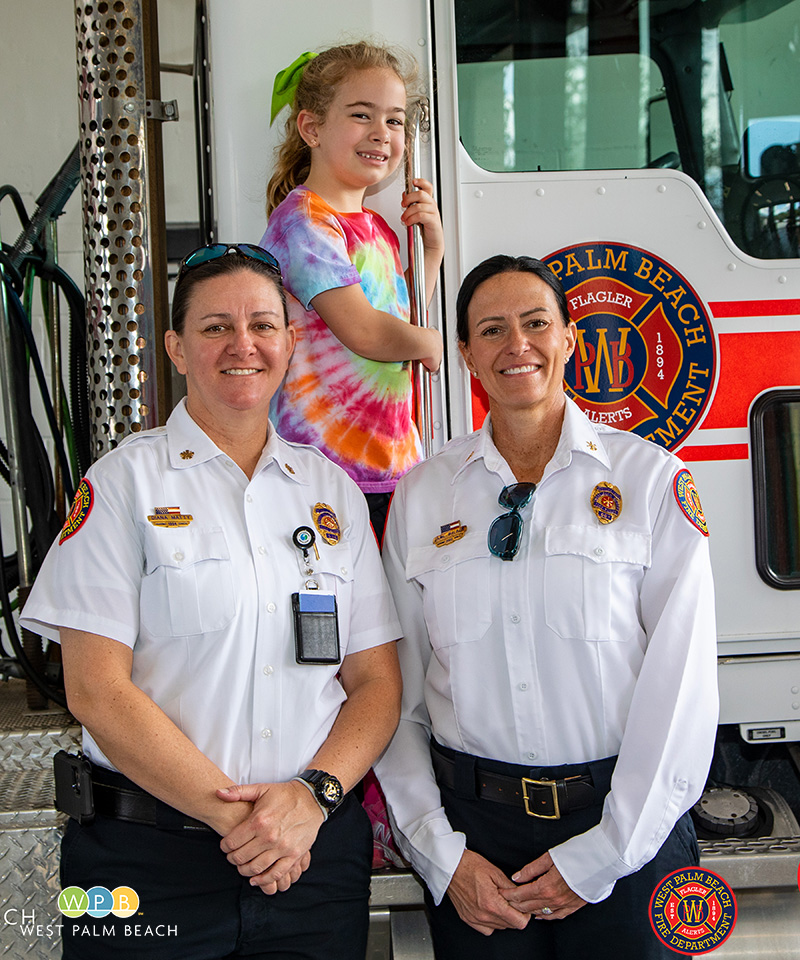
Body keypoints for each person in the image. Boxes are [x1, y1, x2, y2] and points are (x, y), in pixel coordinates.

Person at [21, 244, 403, 960]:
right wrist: (247, 823)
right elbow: (96, 689)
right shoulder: (122, 486)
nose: (243, 345)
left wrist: (311, 797)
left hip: (311, 864)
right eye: (215, 327)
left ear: (291, 343)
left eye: (263, 324)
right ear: (175, 347)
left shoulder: (333, 494)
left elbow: (376, 684)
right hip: (143, 861)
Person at [374, 255, 719, 958]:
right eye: (492, 330)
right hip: (478, 851)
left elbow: (681, 688)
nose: (517, 345)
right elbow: (395, 694)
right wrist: (442, 855)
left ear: (569, 339)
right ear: (466, 355)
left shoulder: (651, 482)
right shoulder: (422, 497)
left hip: (628, 834)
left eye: (536, 324)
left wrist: (606, 851)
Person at [263, 41, 444, 539]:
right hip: (326, 469)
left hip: (389, 465)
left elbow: (401, 316)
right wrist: (435, 344)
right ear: (312, 128)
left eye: (394, 120)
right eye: (362, 115)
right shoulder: (305, 222)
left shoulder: (376, 227)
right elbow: (364, 330)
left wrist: (430, 253)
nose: (381, 134)